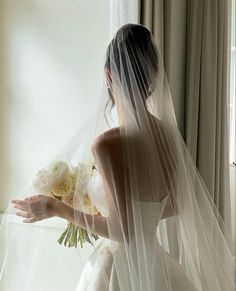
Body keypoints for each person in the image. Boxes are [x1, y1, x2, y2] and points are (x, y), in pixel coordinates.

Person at [11, 24, 235, 290]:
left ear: (108, 75)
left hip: (118, 270)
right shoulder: (167, 135)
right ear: (152, 74)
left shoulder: (107, 145)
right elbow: (176, 204)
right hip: (156, 265)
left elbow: (121, 232)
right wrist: (142, 218)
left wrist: (56, 208)